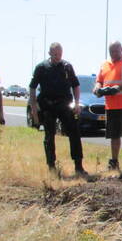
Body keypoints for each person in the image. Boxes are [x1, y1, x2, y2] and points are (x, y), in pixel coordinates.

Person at [29, 43, 87, 176]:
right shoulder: (41, 68)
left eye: (60, 54)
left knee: (74, 133)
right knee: (49, 136)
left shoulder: (67, 67)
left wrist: (76, 103)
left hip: (65, 105)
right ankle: (51, 167)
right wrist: (34, 108)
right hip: (48, 106)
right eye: (55, 54)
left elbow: (76, 86)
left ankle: (78, 166)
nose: (57, 57)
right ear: (49, 53)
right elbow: (32, 87)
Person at [95, 40, 122, 176]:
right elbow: (99, 81)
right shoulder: (105, 65)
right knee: (114, 136)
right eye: (111, 52)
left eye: (116, 51)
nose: (114, 54)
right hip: (111, 107)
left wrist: (118, 88)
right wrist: (98, 89)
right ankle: (114, 162)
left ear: (121, 49)